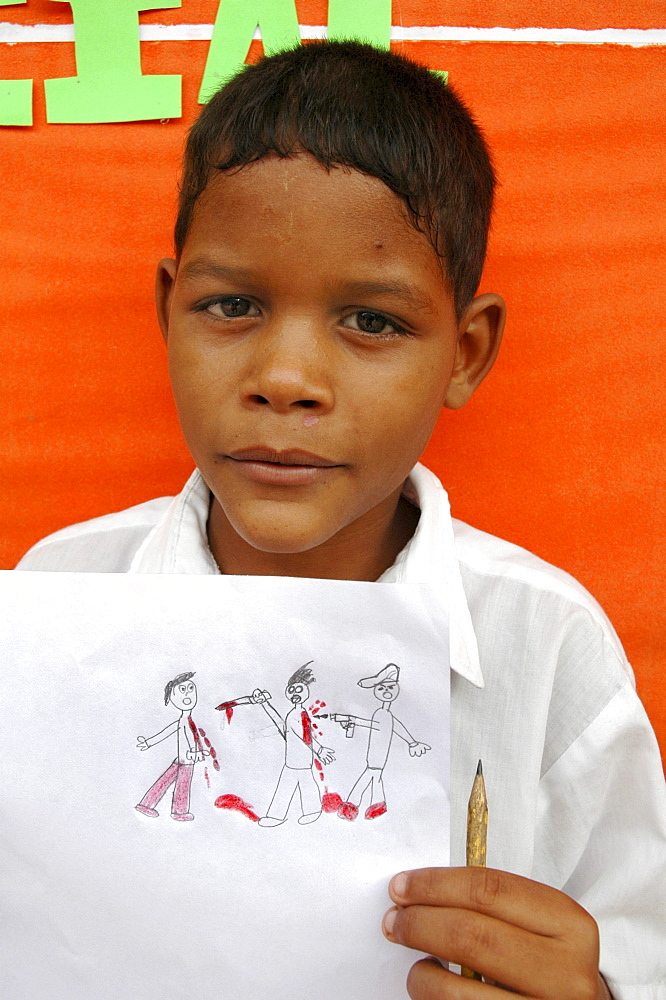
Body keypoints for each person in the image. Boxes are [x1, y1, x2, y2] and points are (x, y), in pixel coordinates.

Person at [15, 40, 665, 1000]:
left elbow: (636, 946)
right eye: (231, 305)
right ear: (168, 312)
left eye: (373, 322)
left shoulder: (545, 643)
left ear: (466, 352)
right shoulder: (56, 596)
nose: (285, 381)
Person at [135, 670, 208, 821]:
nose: (187, 694)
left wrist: (200, 752)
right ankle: (179, 811)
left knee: (165, 781)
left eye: (191, 689)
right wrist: (193, 753)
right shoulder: (184, 721)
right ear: (172, 698)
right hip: (186, 760)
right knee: (182, 784)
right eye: (182, 690)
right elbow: (177, 734)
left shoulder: (188, 720)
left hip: (184, 759)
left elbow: (186, 735)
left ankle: (147, 804)